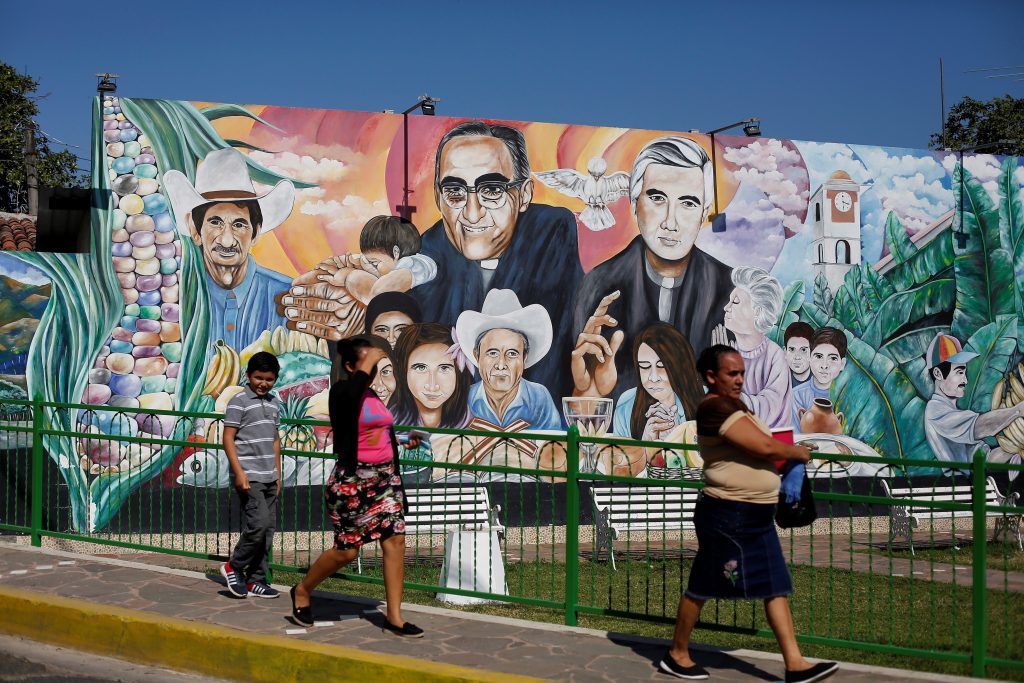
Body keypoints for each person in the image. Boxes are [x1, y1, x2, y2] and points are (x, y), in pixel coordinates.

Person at [660, 344, 837, 683]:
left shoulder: (735, 406)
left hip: (754, 518)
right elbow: (764, 446)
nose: (740, 379)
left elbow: (765, 442)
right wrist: (798, 453)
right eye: (732, 373)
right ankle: (677, 653)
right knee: (702, 585)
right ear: (712, 377)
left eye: (742, 372)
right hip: (728, 516)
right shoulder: (714, 409)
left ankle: (795, 664)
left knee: (775, 586)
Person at [572, 136, 734, 401]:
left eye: (688, 203)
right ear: (634, 204)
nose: (670, 222)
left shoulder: (728, 291)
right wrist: (589, 387)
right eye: (657, 198)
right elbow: (585, 402)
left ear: (704, 213)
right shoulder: (598, 287)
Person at [289, 337, 423, 637]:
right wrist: (368, 362)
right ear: (351, 366)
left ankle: (395, 617)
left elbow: (374, 435)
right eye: (368, 365)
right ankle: (302, 589)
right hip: (352, 483)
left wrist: (403, 440)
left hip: (385, 481)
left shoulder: (373, 396)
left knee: (395, 542)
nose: (374, 370)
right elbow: (350, 410)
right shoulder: (342, 393)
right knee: (347, 552)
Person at [164, 148, 295, 357]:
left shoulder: (288, 296)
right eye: (215, 222)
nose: (227, 239)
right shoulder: (175, 297)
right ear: (195, 231)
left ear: (255, 233)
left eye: (239, 224)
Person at [219, 351, 283, 600]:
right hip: (250, 476)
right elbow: (228, 437)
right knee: (258, 525)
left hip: (269, 476)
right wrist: (239, 473)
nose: (263, 383)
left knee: (268, 530)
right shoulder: (238, 401)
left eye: (269, 379)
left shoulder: (274, 402)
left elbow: (275, 440)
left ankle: (255, 580)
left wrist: (277, 474)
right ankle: (233, 566)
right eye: (258, 377)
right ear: (248, 376)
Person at [455, 289, 560, 431]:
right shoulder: (463, 399)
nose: (501, 365)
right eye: (492, 353)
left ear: (524, 357)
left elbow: (554, 448)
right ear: (477, 355)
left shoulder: (539, 398)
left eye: (511, 353)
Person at [611, 323, 704, 478]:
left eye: (662, 366)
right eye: (645, 367)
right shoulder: (626, 406)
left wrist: (677, 440)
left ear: (680, 366)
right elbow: (618, 470)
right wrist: (645, 447)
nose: (653, 378)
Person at [923, 333, 1023, 476]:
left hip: (969, 487)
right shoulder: (935, 411)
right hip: (957, 490)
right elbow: (980, 426)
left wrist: (1016, 444)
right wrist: (1017, 410)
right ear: (938, 374)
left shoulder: (950, 412)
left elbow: (987, 459)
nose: (965, 380)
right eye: (959, 372)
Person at [713, 266, 792, 430]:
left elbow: (769, 408)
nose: (726, 308)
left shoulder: (775, 356)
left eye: (735, 302)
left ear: (757, 311)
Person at [390, 323, 473, 430]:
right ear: (403, 370)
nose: (432, 386)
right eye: (420, 368)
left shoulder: (478, 428)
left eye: (444, 368)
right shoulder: (383, 427)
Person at [791, 327, 847, 431]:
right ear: (809, 358)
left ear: (842, 364)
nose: (824, 365)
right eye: (819, 356)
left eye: (833, 358)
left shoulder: (847, 399)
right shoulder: (796, 396)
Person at [784, 322, 814, 390]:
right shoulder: (777, 381)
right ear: (785, 352)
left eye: (803, 350)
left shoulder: (821, 381)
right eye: (792, 349)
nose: (797, 357)